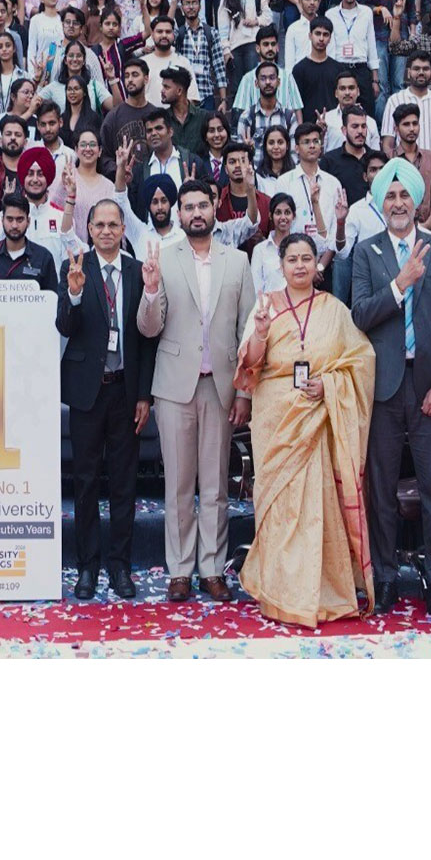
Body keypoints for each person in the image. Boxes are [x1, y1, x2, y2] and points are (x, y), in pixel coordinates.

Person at [233, 233, 376, 627]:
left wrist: (329, 385)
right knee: (279, 506)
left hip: (319, 415)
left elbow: (361, 360)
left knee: (319, 507)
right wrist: (261, 332)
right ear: (280, 266)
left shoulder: (335, 309)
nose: (299, 265)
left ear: (317, 265)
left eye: (306, 259)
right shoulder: (265, 305)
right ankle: (280, 594)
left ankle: (323, 593)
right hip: (275, 417)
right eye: (292, 259)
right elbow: (250, 366)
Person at [351, 158, 431, 617]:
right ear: (380, 203)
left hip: (428, 387)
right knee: (381, 491)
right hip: (382, 389)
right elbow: (359, 314)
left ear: (417, 201)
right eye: (390, 196)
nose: (398, 203)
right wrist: (400, 285)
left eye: (404, 195)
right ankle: (385, 577)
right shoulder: (367, 252)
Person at [136, 179, 256, 603]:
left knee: (216, 486)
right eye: (188, 207)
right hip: (174, 386)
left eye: (202, 205)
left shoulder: (237, 261)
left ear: (214, 208)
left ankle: (212, 568)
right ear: (179, 214)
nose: (196, 213)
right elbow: (148, 328)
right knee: (178, 485)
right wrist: (151, 289)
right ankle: (180, 570)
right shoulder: (163, 259)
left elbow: (247, 331)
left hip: (220, 386)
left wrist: (245, 392)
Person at [58, 202, 156, 602]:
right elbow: (65, 326)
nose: (106, 231)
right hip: (87, 391)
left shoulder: (137, 271)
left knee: (123, 482)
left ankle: (119, 566)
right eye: (99, 224)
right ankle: (88, 566)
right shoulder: (76, 267)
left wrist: (144, 394)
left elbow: (147, 339)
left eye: (113, 224)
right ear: (89, 229)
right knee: (85, 482)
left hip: (125, 391)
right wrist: (74, 293)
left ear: (122, 229)